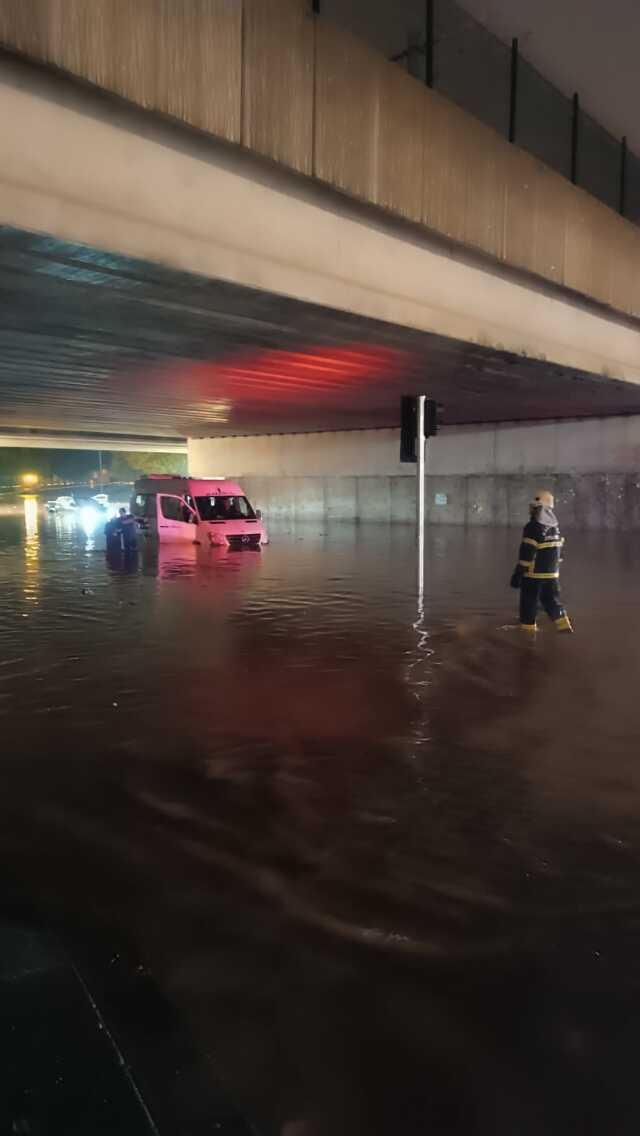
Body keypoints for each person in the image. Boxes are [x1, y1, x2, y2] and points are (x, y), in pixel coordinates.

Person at [510, 489, 573, 633]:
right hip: (552, 577)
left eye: (532, 506)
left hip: (533, 577)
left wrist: (518, 573)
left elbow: (527, 552)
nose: (530, 509)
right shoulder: (555, 528)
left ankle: (528, 635)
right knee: (552, 602)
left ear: (538, 508)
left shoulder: (533, 527)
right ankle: (564, 628)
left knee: (528, 604)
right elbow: (560, 554)